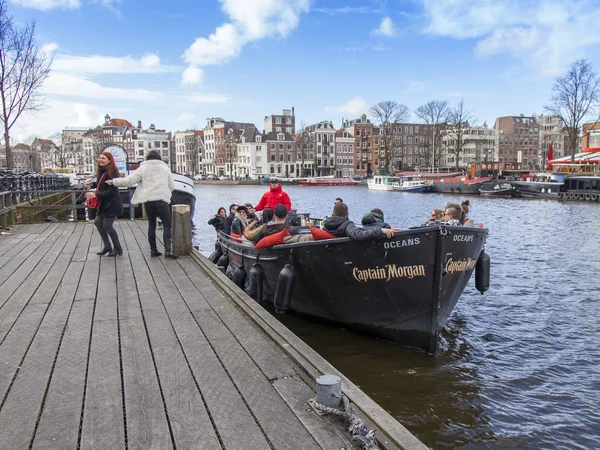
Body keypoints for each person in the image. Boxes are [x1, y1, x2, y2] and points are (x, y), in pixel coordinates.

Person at [108, 150, 178, 259]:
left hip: (149, 201)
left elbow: (128, 181)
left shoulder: (142, 169)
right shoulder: (165, 168)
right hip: (162, 200)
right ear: (159, 158)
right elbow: (172, 186)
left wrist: (113, 182)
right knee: (167, 225)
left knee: (152, 225)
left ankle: (153, 250)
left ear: (147, 158)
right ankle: (168, 251)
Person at [85, 151, 124, 256]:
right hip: (103, 204)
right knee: (98, 222)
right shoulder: (102, 171)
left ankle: (118, 248)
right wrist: (92, 184)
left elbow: (112, 191)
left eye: (103, 158)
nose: (100, 160)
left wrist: (95, 195)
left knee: (107, 225)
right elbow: (101, 185)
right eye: (100, 158)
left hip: (112, 204)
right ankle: (107, 246)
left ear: (109, 161)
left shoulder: (112, 172)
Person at [324, 202, 395, 240]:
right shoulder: (346, 225)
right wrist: (380, 230)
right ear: (347, 214)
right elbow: (358, 235)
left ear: (333, 214)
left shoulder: (326, 225)